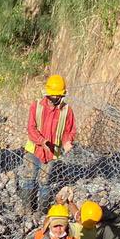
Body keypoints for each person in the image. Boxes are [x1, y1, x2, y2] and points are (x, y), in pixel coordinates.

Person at [22, 74, 77, 210]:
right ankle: (27, 209)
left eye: (59, 96)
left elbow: (69, 131)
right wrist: (42, 141)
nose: (56, 99)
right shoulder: (37, 106)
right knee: (29, 179)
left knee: (44, 183)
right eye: (53, 96)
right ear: (48, 94)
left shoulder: (66, 111)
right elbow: (31, 128)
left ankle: (41, 211)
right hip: (34, 150)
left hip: (51, 154)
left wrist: (67, 142)